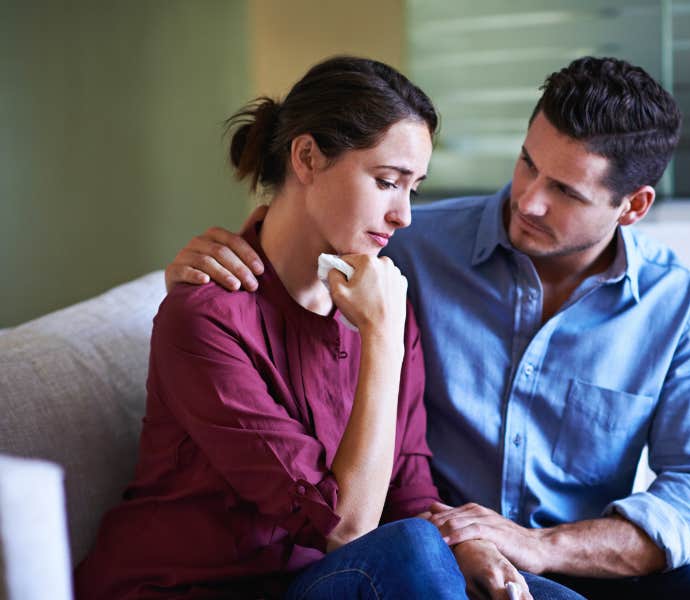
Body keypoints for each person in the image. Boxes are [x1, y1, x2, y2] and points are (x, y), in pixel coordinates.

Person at [165, 57, 690, 599]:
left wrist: (542, 546)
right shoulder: (408, 251)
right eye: (527, 163)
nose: (528, 199)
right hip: (436, 557)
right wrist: (203, 267)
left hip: (585, 557)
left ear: (633, 206)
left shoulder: (678, 306)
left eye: (568, 191)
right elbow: (292, 259)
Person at [75, 56, 532, 600]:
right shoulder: (207, 317)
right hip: (202, 586)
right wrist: (383, 339)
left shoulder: (382, 300)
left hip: (327, 580)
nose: (404, 215)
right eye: (387, 182)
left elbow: (407, 489)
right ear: (308, 157)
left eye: (413, 188)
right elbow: (344, 527)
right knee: (410, 549)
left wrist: (466, 545)